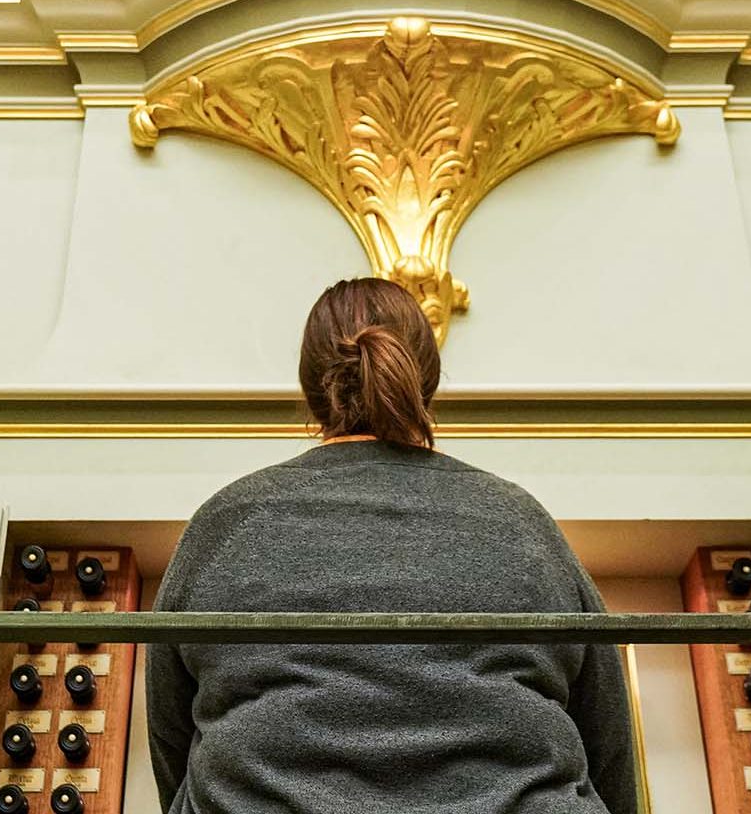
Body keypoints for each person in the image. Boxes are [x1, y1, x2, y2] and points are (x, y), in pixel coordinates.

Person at [145, 276, 639, 813]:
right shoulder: (520, 520)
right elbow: (606, 737)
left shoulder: (226, 520)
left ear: (311, 385)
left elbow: (172, 739)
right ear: (424, 377)